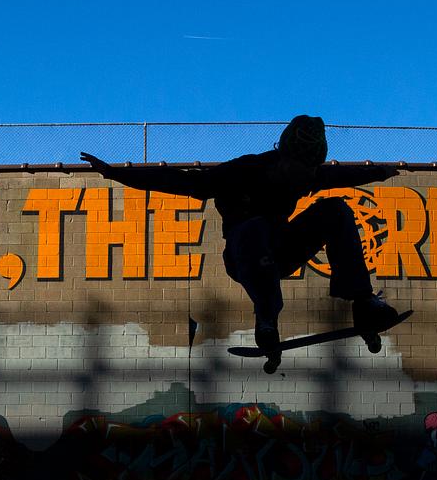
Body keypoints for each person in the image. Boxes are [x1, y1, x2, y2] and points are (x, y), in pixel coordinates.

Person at [80, 114, 406, 371]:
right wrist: (115, 173)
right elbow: (180, 181)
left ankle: (363, 304)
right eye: (298, 171)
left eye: (309, 172)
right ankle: (266, 316)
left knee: (336, 209)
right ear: (282, 157)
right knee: (255, 226)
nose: (303, 179)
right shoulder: (244, 171)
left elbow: (343, 176)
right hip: (243, 256)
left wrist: (381, 172)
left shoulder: (308, 174)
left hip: (281, 252)